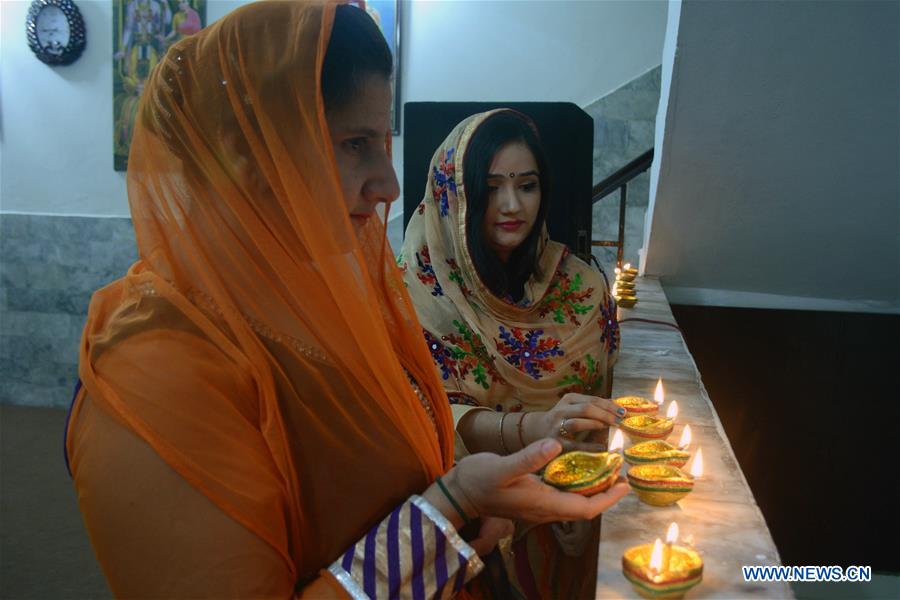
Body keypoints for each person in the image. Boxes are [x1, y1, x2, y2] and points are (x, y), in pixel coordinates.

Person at [65, 2, 629, 598]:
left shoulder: (327, 301)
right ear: (245, 155)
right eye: (355, 143)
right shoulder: (158, 367)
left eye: (381, 142)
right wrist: (451, 507)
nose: (388, 185)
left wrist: (462, 499)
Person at [400, 109, 623, 599]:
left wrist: (580, 484)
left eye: (527, 185)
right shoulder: (414, 293)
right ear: (453, 196)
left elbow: (599, 413)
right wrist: (528, 429)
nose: (512, 205)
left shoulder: (582, 289)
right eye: (490, 187)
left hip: (568, 520)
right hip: (466, 530)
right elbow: (421, 415)